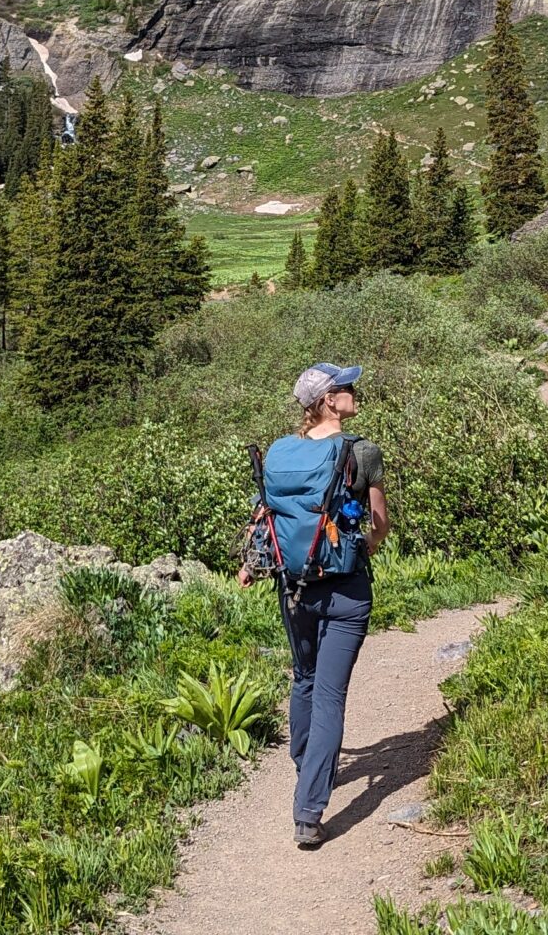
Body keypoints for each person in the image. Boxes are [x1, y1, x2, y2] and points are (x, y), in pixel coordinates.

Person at [240, 360, 390, 849]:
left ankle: (308, 765)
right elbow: (380, 520)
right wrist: (372, 540)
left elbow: (267, 511)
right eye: (346, 387)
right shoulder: (360, 451)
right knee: (329, 695)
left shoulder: (283, 452)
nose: (354, 392)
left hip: (292, 585)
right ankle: (308, 812)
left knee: (303, 678)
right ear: (328, 400)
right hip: (345, 587)